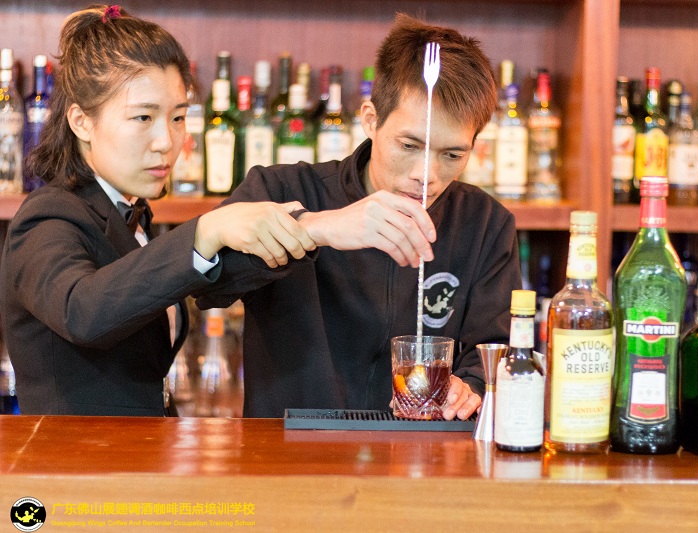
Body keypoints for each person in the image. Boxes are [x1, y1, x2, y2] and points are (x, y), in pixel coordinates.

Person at [196, 14, 521, 420]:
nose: (427, 175)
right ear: (370, 119)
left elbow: (495, 351)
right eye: (409, 145)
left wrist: (468, 387)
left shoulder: (486, 223)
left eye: (452, 155)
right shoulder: (282, 190)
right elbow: (210, 284)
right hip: (286, 447)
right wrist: (318, 228)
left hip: (421, 451)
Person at [0, 5, 315, 416]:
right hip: (76, 455)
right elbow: (82, 312)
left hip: (143, 449)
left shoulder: (132, 214)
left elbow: (200, 280)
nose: (167, 141)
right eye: (143, 117)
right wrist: (206, 230)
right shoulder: (48, 216)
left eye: (179, 117)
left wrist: (319, 229)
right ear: (81, 122)